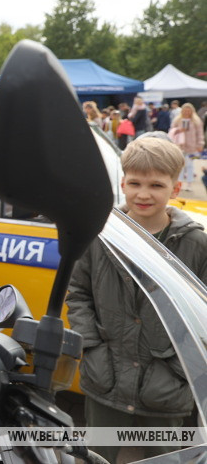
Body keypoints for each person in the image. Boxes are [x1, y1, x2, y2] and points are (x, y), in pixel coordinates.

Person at [66, 134, 205, 464]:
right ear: (123, 183)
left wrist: (181, 366)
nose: (143, 194)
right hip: (107, 379)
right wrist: (93, 348)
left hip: (167, 388)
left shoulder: (196, 244)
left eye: (156, 185)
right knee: (96, 456)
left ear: (175, 189)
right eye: (135, 183)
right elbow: (79, 294)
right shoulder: (101, 234)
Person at [169, 102, 205, 190]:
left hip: (192, 147)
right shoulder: (177, 120)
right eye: (185, 110)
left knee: (190, 165)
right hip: (179, 146)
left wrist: (200, 144)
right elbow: (171, 131)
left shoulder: (196, 121)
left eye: (189, 111)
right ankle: (179, 183)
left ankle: (189, 183)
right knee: (180, 165)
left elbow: (200, 134)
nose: (187, 112)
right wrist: (179, 130)